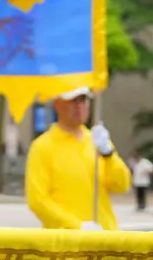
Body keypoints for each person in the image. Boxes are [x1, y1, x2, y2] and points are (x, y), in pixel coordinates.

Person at [25, 87, 131, 230]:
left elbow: (122, 185)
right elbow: (38, 201)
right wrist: (76, 226)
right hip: (65, 244)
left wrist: (108, 154)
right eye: (72, 101)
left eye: (83, 100)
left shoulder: (97, 141)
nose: (79, 106)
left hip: (104, 238)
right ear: (57, 104)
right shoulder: (42, 147)